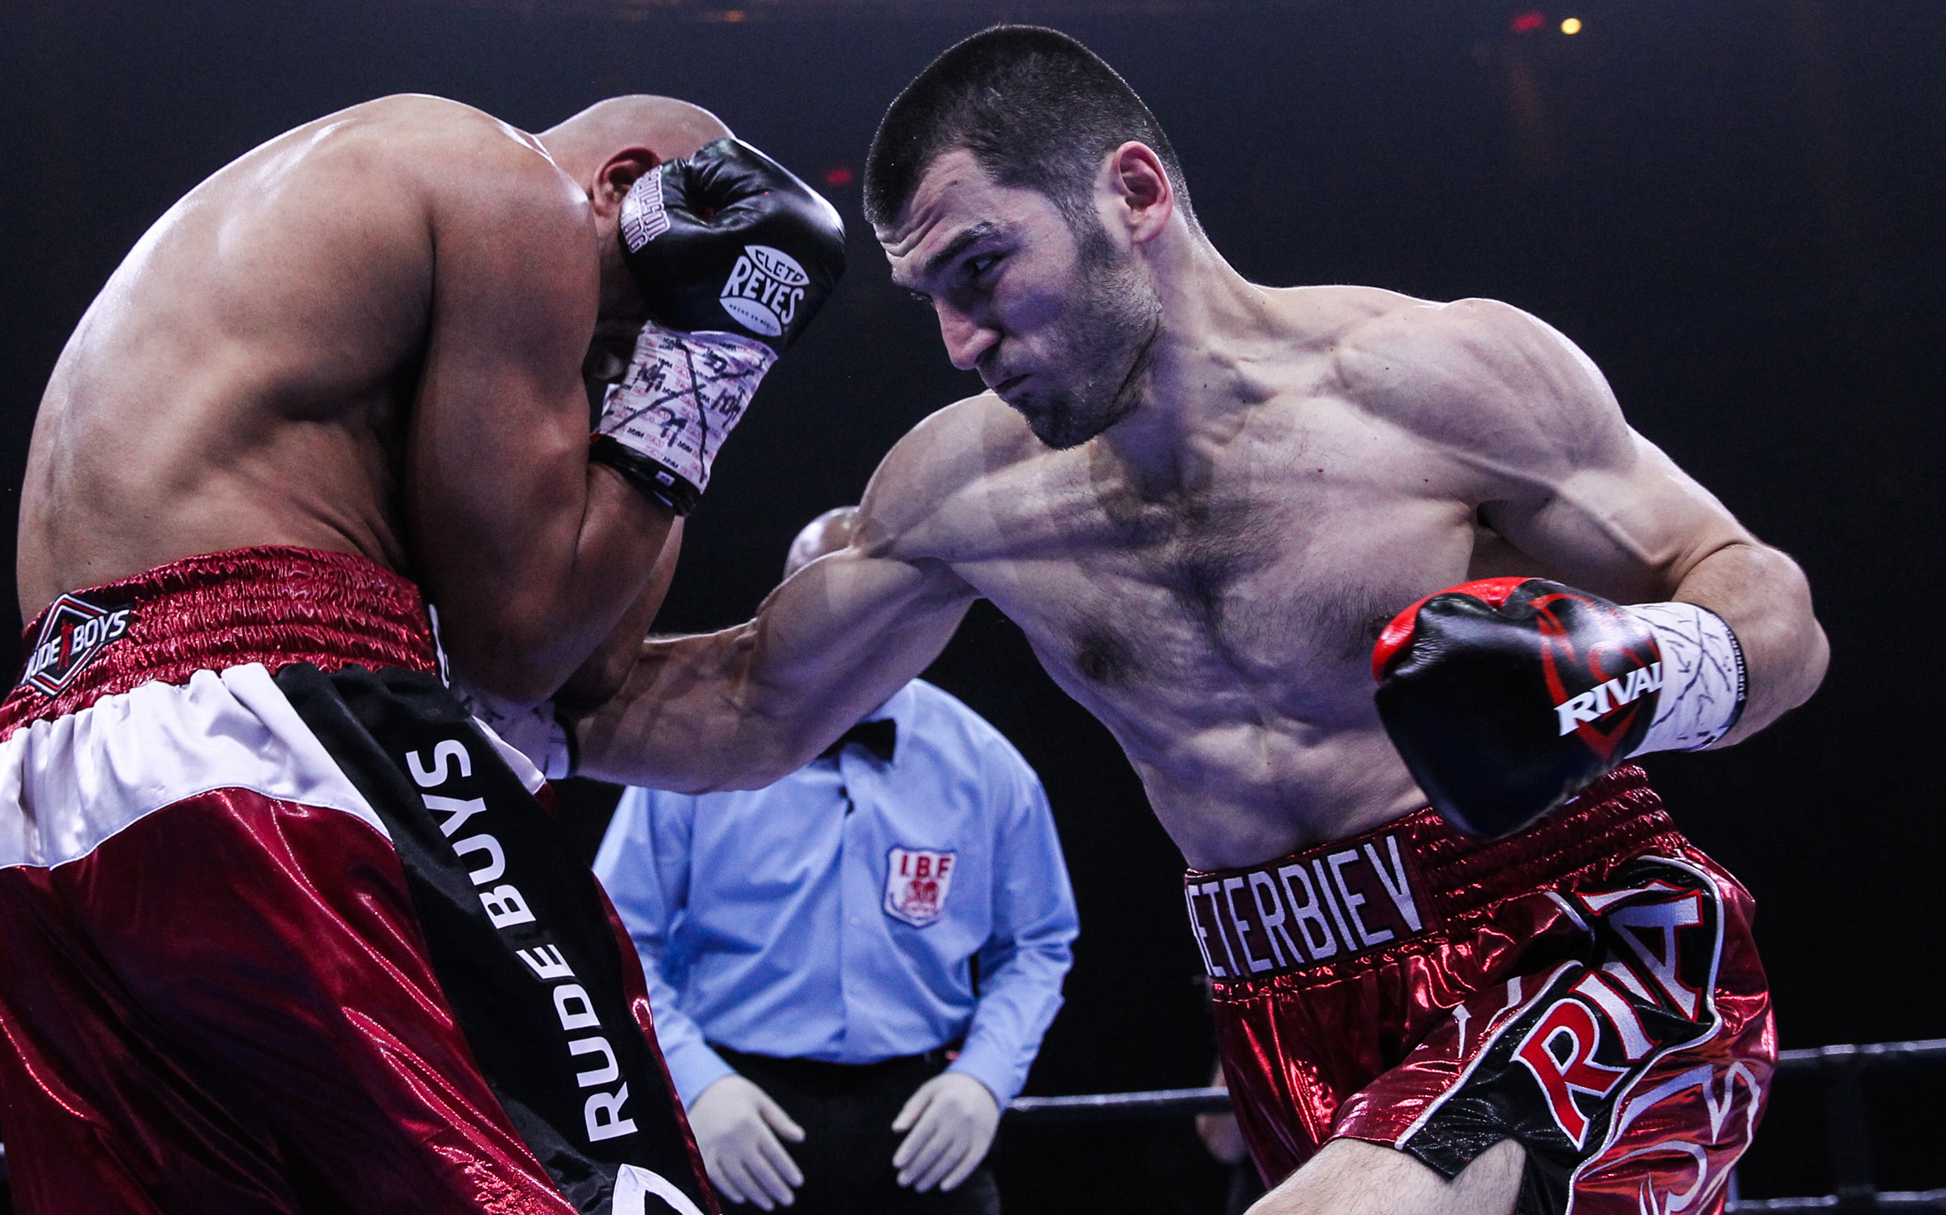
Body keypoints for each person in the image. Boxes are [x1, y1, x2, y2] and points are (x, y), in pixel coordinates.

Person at [563, 27, 1828, 1215]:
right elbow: (742, 708)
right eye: (929, 298)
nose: (959, 342)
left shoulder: (1433, 380)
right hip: (1279, 996)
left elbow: (1762, 602)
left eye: (982, 267)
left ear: (1134, 193)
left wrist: (1644, 668)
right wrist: (431, 691)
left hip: (1571, 936)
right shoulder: (965, 490)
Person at [0, 92, 844, 1215]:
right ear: (623, 187)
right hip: (274, 741)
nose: (604, 365)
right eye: (617, 336)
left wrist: (671, 370)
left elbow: (592, 656)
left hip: (35, 799)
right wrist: (709, 359)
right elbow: (520, 648)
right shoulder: (513, 189)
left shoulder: (324, 221)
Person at [591, 506, 1079, 1215]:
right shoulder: (694, 752)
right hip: (738, 1106)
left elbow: (1038, 942)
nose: (841, 638)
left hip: (920, 1119)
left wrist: (984, 1075)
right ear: (778, 614)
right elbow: (616, 938)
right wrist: (695, 1081)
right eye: (818, 613)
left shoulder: (986, 768)